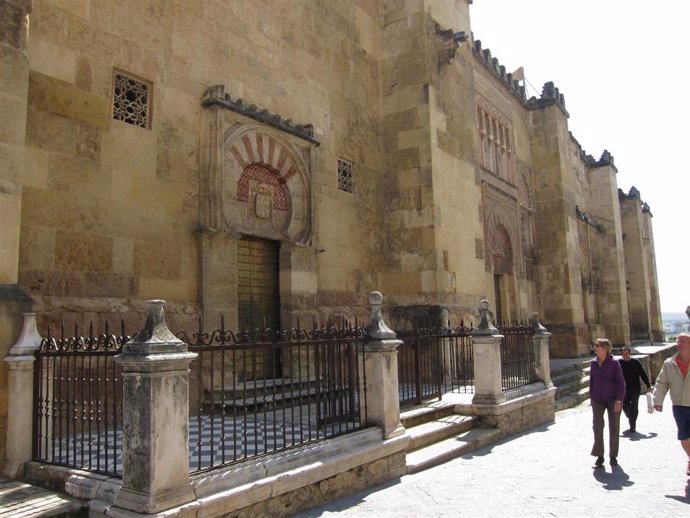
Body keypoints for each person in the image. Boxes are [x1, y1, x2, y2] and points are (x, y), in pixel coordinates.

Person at [652, 332, 690, 477]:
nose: (679, 344)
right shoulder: (669, 363)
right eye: (678, 341)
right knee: (684, 438)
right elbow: (661, 383)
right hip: (679, 407)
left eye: (683, 341)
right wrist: (658, 401)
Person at [589, 338, 626, 467]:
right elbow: (592, 381)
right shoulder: (593, 363)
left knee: (614, 427)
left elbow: (621, 383)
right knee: (597, 427)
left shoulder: (614, 363)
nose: (595, 347)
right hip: (597, 399)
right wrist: (592, 397)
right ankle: (599, 455)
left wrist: (619, 400)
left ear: (604, 348)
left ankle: (613, 456)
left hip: (612, 399)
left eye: (597, 345)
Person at [619, 345, 652, 433]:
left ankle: (632, 425)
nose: (625, 355)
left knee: (634, 406)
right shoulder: (619, 363)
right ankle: (631, 417)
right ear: (621, 355)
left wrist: (648, 385)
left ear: (630, 353)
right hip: (624, 388)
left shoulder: (636, 362)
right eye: (623, 354)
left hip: (635, 388)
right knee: (625, 405)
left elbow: (642, 374)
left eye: (627, 353)